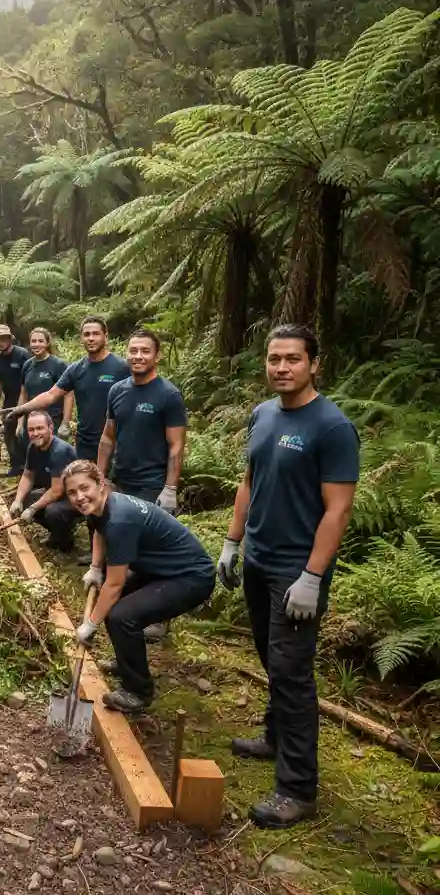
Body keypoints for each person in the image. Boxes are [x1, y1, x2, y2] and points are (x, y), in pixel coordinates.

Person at [218, 325, 358, 829]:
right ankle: (275, 737)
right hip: (258, 559)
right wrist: (232, 542)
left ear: (314, 364)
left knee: (292, 672)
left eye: (293, 359)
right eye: (274, 358)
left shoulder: (332, 428)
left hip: (296, 570)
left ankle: (297, 788)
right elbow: (249, 481)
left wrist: (313, 576)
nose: (282, 367)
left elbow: (338, 510)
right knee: (270, 657)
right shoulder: (262, 414)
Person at [65, 460, 214, 713]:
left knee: (121, 615)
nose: (79, 497)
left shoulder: (120, 520)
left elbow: (114, 584)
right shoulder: (102, 506)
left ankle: (137, 692)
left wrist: (90, 625)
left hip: (190, 577)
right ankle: (128, 663)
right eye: (72, 492)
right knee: (114, 607)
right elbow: (99, 530)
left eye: (84, 488)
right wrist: (95, 567)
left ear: (100, 484)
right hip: (162, 569)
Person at [2, 316, 128, 463]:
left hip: (115, 442)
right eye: (86, 334)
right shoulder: (76, 369)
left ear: (105, 337)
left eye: (96, 334)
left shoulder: (122, 367)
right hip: (85, 442)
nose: (91, 338)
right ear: (81, 338)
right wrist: (21, 409)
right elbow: (51, 395)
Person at [97, 328, 187, 510]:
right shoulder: (116, 390)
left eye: (145, 351)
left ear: (157, 356)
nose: (138, 356)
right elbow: (107, 437)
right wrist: (99, 476)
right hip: (118, 480)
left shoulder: (169, 395)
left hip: (151, 485)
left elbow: (176, 446)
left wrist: (170, 489)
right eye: (133, 351)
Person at [8, 411, 80, 553]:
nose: (35, 433)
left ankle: (65, 543)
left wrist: (32, 509)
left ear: (50, 428)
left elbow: (57, 490)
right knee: (26, 499)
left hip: (76, 497)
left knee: (53, 512)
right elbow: (28, 475)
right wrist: (18, 500)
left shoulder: (59, 451)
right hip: (57, 493)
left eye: (40, 428)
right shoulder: (33, 447)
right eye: (31, 430)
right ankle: (57, 533)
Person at [18, 327, 72, 447]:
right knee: (32, 454)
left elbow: (68, 394)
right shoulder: (27, 365)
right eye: (33, 341)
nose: (36, 344)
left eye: (40, 341)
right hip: (31, 421)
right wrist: (20, 423)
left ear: (47, 343)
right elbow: (23, 394)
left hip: (52, 421)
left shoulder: (58, 365)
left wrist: (65, 423)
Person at [0, 325, 30, 476]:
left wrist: (23, 405)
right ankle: (16, 466)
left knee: (24, 433)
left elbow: (29, 379)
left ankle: (29, 467)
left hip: (27, 400)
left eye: (2, 339)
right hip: (9, 401)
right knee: (9, 433)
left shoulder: (22, 354)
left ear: (9, 339)